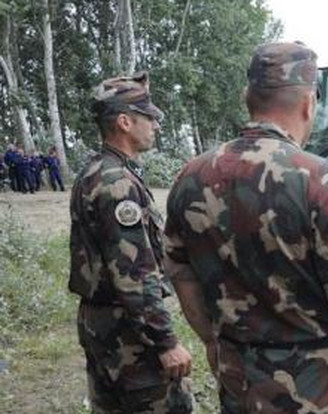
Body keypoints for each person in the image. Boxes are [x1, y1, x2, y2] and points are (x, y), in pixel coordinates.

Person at [164, 42, 328, 414]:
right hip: (314, 391)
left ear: (249, 97)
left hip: (238, 380)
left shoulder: (190, 177)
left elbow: (183, 277)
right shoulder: (318, 180)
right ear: (309, 103)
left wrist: (212, 342)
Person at [68, 72, 193, 413]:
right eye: (148, 117)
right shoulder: (117, 184)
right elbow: (133, 274)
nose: (155, 125)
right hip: (128, 333)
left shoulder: (94, 171)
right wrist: (165, 342)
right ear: (124, 121)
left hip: (100, 323)